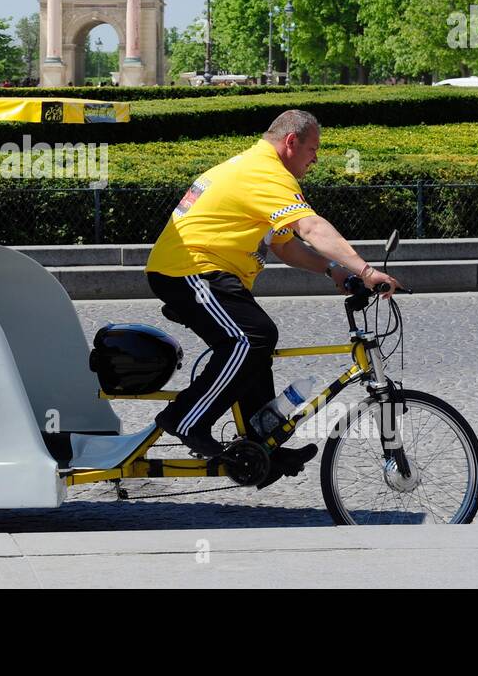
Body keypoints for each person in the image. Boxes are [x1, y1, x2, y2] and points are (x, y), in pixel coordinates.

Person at [144, 109, 403, 464]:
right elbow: (309, 228)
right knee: (253, 336)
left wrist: (333, 270)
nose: (316, 158)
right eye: (313, 149)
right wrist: (366, 269)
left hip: (211, 273)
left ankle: (260, 448)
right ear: (291, 142)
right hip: (187, 270)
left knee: (257, 347)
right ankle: (185, 419)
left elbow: (285, 244)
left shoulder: (259, 170)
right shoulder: (265, 172)